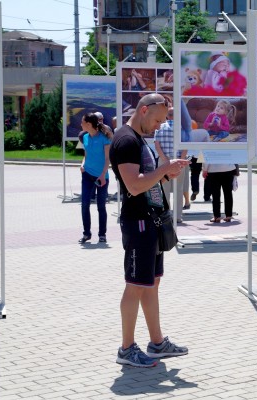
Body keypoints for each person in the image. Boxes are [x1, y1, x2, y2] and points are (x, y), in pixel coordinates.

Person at [109, 93, 191, 368]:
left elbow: (146, 180)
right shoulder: (126, 140)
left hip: (151, 221)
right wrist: (164, 169)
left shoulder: (138, 139)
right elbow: (133, 185)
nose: (159, 126)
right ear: (144, 111)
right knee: (135, 286)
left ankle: (157, 342)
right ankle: (126, 348)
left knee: (150, 284)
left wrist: (166, 173)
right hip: (139, 223)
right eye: (157, 120)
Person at [78, 112, 113, 244]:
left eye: (82, 122)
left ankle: (102, 234)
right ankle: (86, 234)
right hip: (87, 175)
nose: (80, 124)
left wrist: (103, 175)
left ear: (88, 124)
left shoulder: (104, 138)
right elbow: (86, 155)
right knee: (85, 205)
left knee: (101, 207)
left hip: (102, 177)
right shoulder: (85, 137)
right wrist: (82, 165)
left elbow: (107, 158)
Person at [154, 107, 190, 223]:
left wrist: (164, 159)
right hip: (178, 160)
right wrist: (181, 160)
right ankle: (178, 216)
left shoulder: (160, 127)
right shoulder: (182, 128)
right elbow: (185, 146)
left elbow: (157, 145)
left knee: (164, 189)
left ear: (167, 115)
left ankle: (167, 214)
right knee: (179, 189)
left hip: (164, 160)